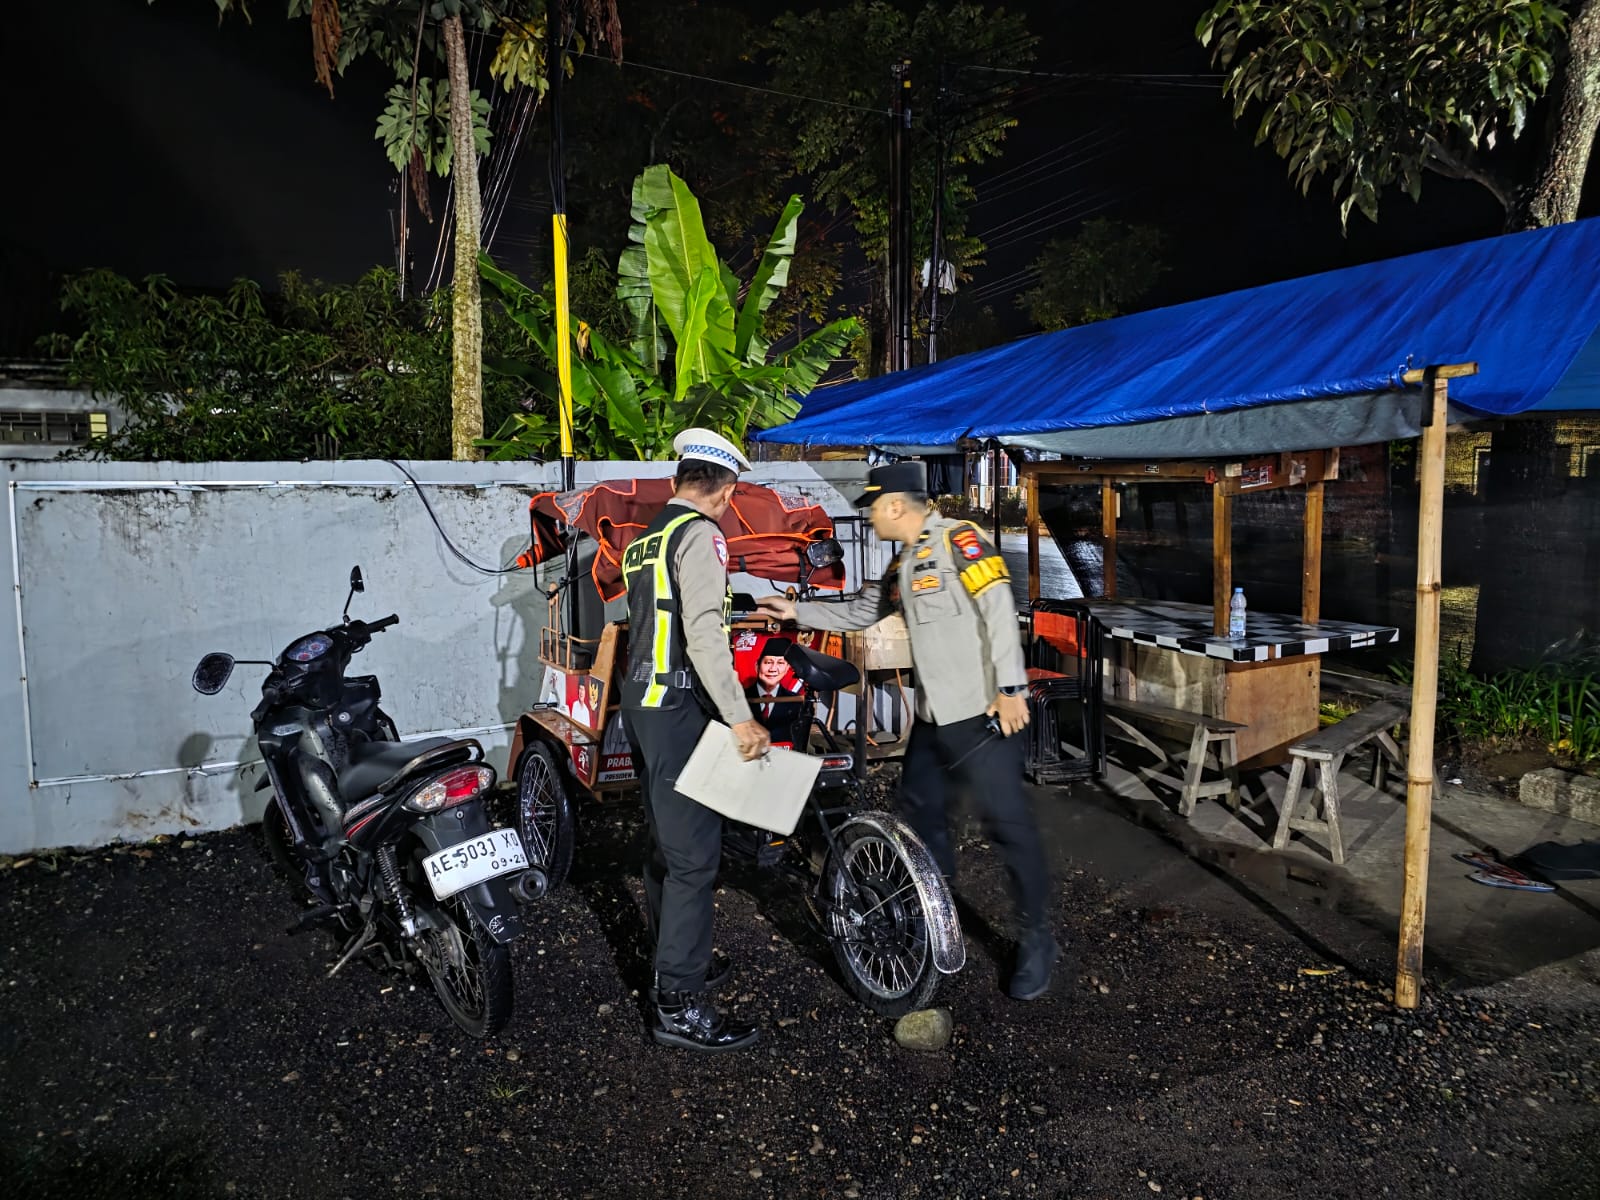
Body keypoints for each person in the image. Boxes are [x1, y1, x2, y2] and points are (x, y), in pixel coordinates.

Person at [756, 460, 1061, 1000]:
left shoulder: (960, 542)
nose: (871, 518)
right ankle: (931, 915)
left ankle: (1037, 940)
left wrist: (1012, 688)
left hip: (983, 717)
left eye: (874, 508)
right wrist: (796, 611)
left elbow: (997, 607)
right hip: (933, 719)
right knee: (920, 819)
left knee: (1009, 828)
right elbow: (861, 612)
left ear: (895, 505)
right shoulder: (903, 562)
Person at [620, 427, 770, 1052]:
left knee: (667, 844)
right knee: (693, 859)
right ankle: (678, 1004)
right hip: (678, 705)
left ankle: (676, 957)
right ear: (726, 490)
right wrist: (740, 717)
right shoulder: (702, 535)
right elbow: (704, 635)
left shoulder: (647, 537)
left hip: (642, 703)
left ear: (679, 479)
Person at [745, 636, 806, 747]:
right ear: (757, 666)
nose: (773, 669)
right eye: (768, 662)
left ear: (787, 668)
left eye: (780, 663)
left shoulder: (796, 703)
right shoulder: (740, 699)